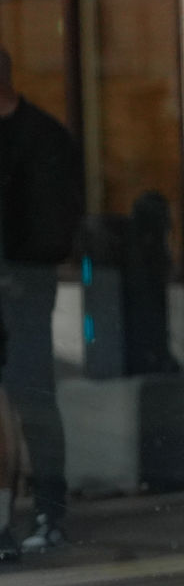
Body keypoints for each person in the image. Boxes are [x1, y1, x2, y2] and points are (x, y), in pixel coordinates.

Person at [0, 48, 85, 556]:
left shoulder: (43, 139)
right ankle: (29, 513)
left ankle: (49, 510)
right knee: (26, 402)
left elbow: (56, 221)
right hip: (22, 276)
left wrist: (19, 266)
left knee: (32, 399)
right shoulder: (44, 135)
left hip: (25, 283)